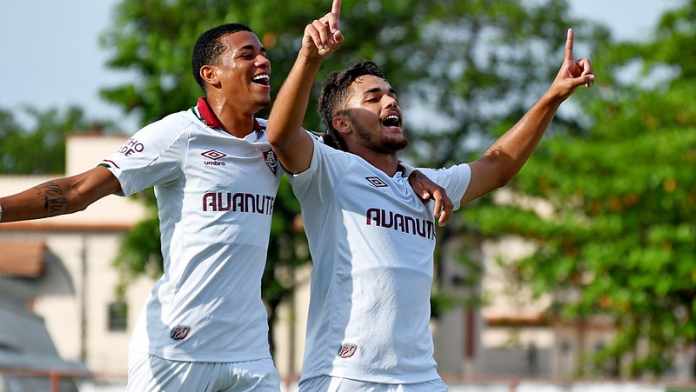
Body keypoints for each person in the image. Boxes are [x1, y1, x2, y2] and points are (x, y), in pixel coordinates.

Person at [0, 21, 450, 392]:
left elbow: (364, 159)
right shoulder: (177, 135)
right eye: (247, 54)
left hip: (249, 355)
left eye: (263, 53)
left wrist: (413, 175)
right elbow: (79, 190)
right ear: (211, 74)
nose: (262, 61)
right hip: (178, 348)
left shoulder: (276, 142)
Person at [266, 0, 594, 390]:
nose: (390, 101)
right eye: (372, 98)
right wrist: (308, 58)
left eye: (391, 95)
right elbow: (282, 135)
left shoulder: (425, 187)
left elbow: (498, 166)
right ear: (342, 123)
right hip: (345, 375)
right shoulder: (329, 171)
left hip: (420, 378)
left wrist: (552, 97)